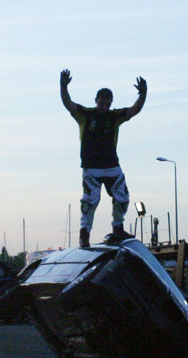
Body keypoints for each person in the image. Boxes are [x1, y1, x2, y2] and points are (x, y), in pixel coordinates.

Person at [60, 68, 147, 247]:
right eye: (102, 103)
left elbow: (134, 110)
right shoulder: (85, 115)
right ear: (96, 101)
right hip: (91, 167)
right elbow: (69, 104)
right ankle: (84, 232)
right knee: (90, 200)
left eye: (107, 104)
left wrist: (143, 94)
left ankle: (118, 227)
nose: (104, 107)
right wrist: (63, 87)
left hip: (112, 166)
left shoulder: (114, 117)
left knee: (122, 197)